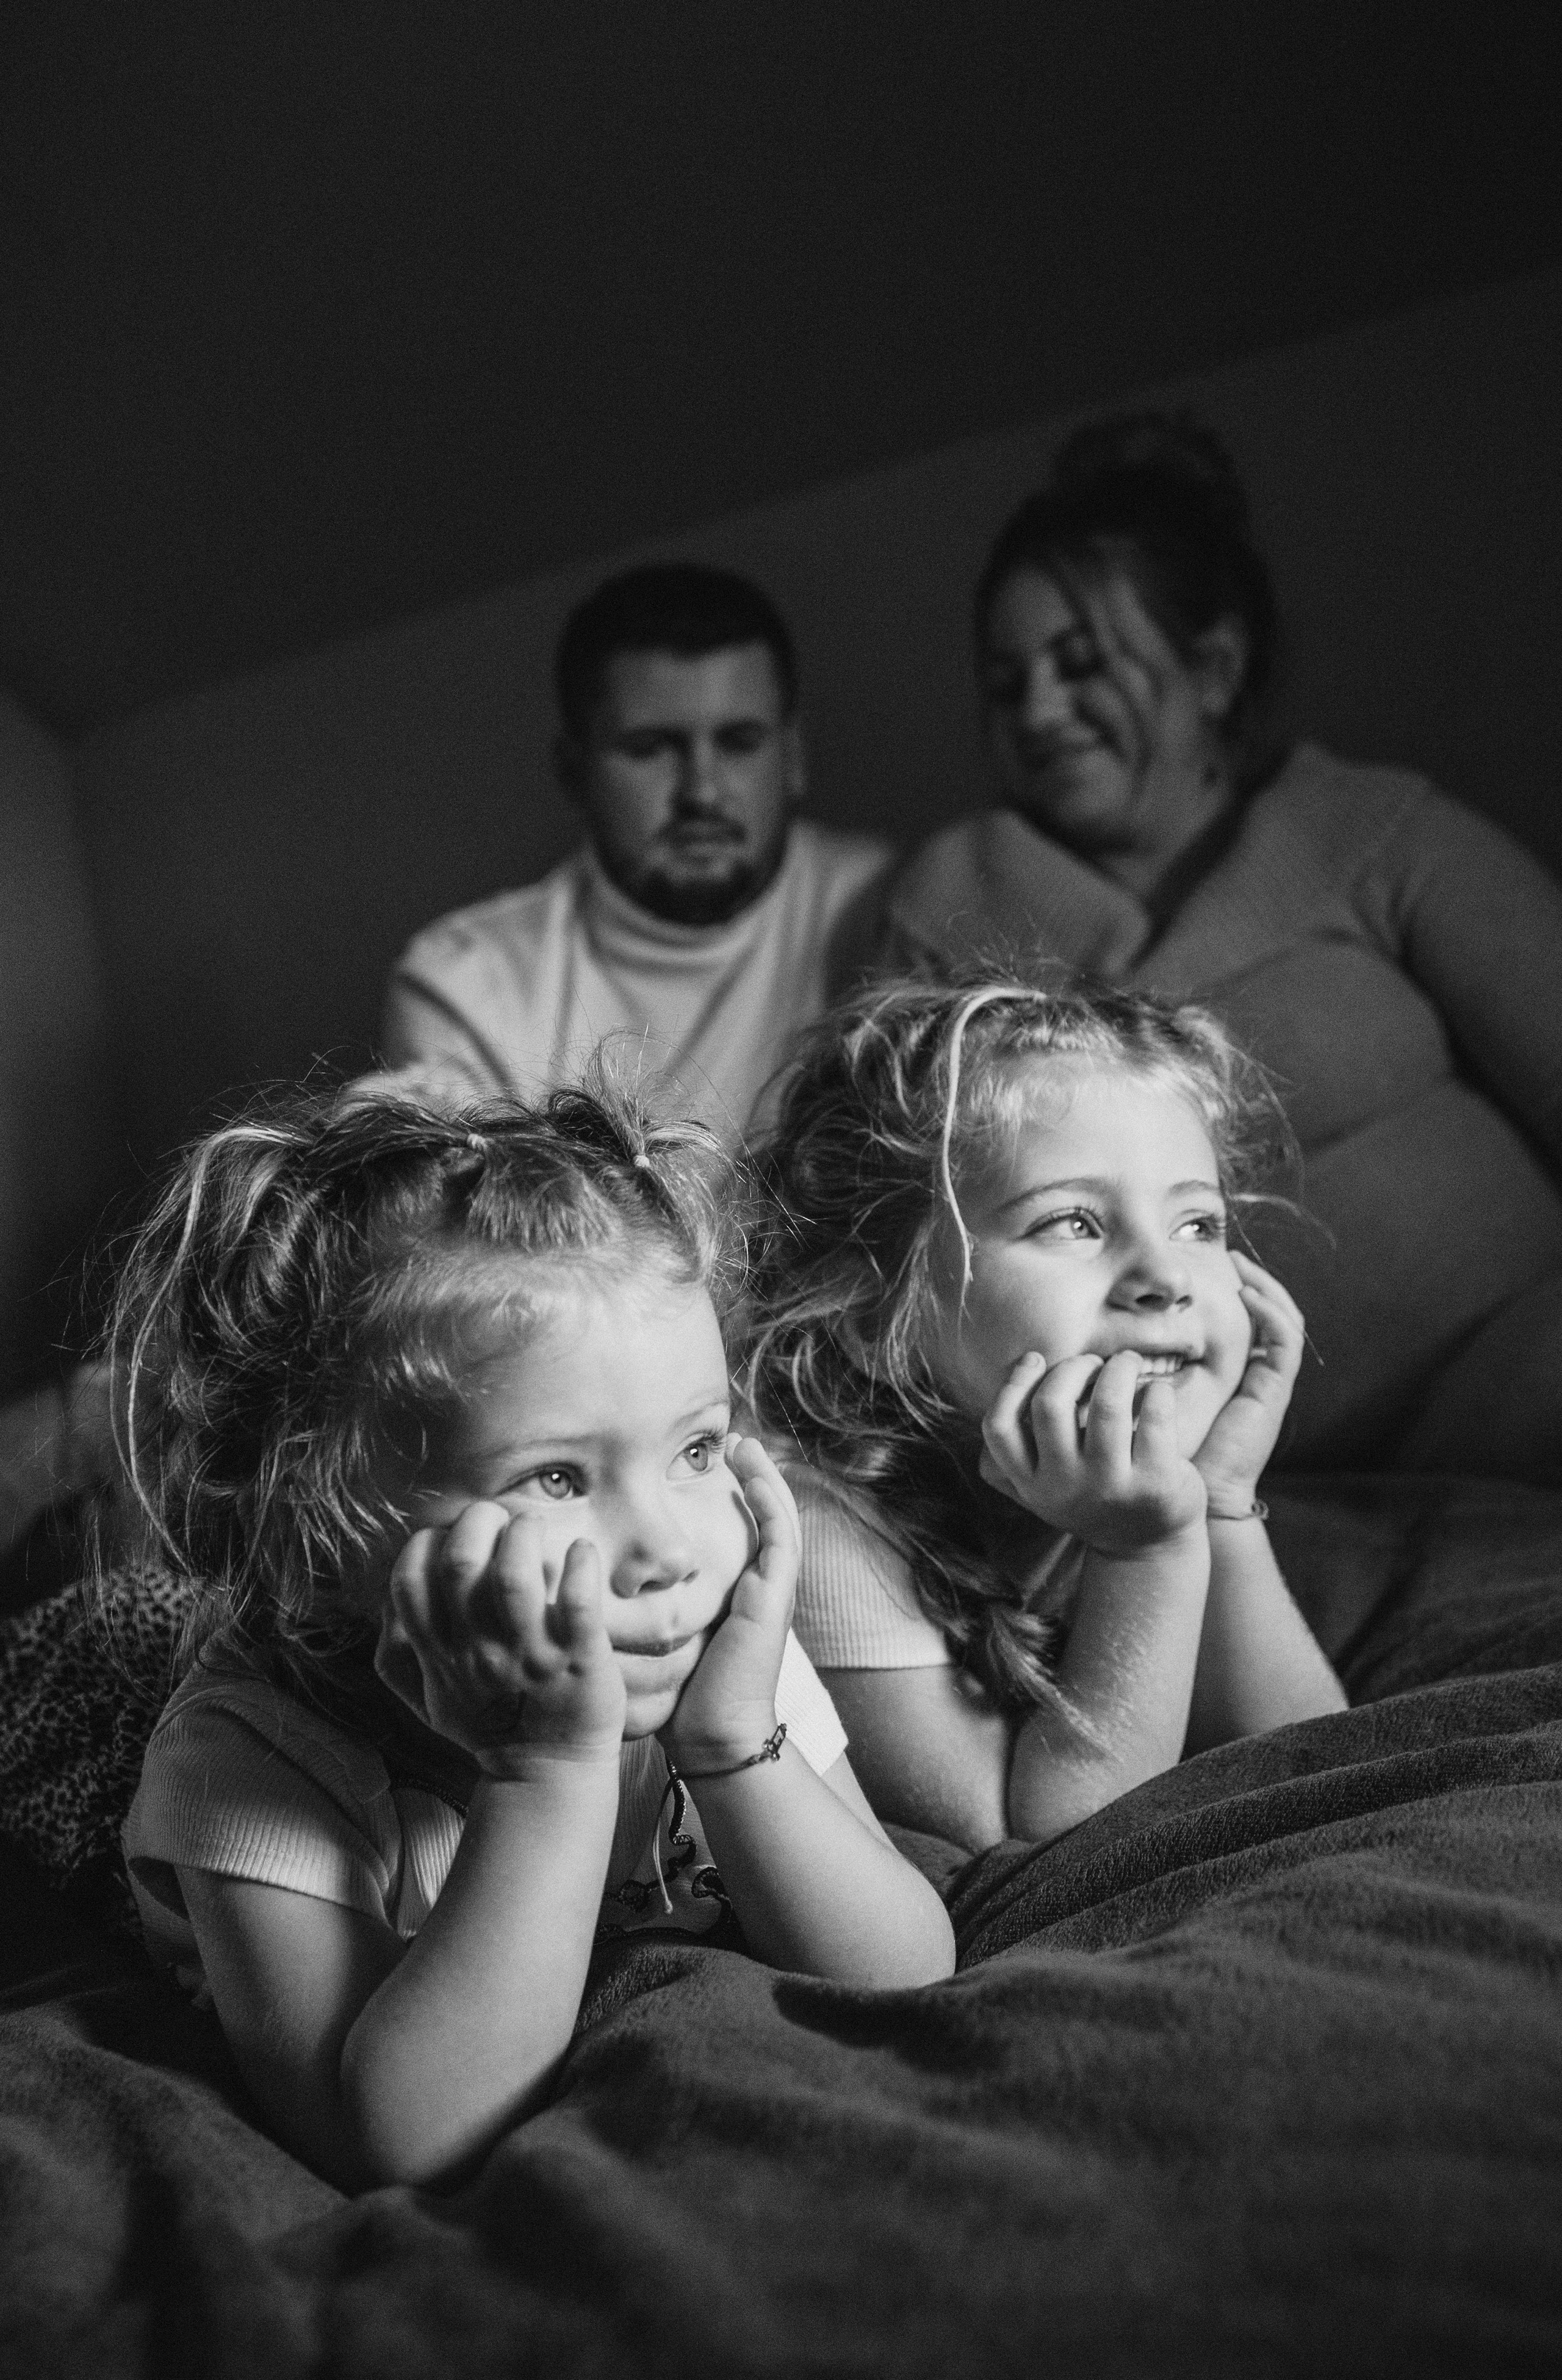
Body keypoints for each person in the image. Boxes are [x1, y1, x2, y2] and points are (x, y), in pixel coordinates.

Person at [115, 1082, 953, 2190]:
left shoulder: (708, 1652)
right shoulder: (248, 1764)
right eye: (559, 1476)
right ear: (315, 1527)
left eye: (698, 1451)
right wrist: (544, 1774)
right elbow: (402, 2142)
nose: (668, 1545)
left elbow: (904, 1972)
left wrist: (736, 1747)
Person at [880, 415, 1562, 1478]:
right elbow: (891, 1232)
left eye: (1083, 663)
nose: (1041, 707)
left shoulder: (1368, 828)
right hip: (1197, 1471)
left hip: (1515, 1371)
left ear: (1214, 667)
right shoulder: (949, 899)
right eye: (1007, 680)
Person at [741, 974, 1345, 1855]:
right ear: (876, 1314)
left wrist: (1219, 1505)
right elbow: (1036, 1845)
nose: (1168, 1278)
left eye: (1198, 1226)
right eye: (1073, 1223)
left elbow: (1316, 1760)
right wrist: (1146, 1553)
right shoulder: (817, 1526)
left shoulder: (1137, 1478)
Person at [370, 564, 891, 1141]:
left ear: (794, 755)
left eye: (739, 743)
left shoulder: (884, 901)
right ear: (574, 773)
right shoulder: (468, 988)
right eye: (650, 749)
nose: (703, 792)